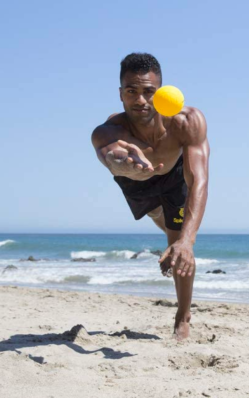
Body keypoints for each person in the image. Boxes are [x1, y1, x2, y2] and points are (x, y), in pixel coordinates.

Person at [91, 52, 210, 341]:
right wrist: (123, 165)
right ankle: (165, 222)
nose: (140, 100)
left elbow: (199, 180)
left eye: (148, 92)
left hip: (174, 176)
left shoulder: (186, 121)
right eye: (132, 91)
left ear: (161, 92)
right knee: (161, 216)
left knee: (178, 240)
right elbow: (110, 154)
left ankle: (182, 317)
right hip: (135, 181)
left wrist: (187, 240)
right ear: (120, 94)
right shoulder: (109, 130)